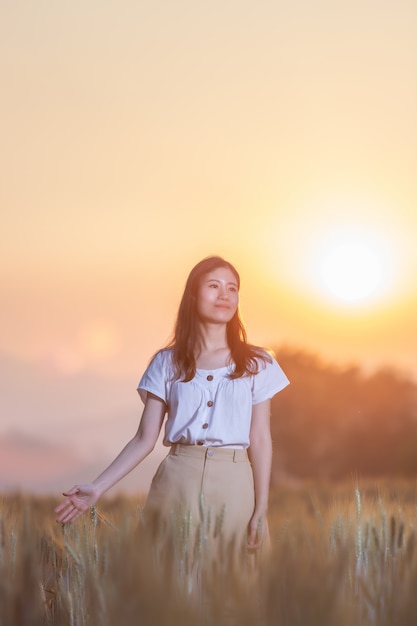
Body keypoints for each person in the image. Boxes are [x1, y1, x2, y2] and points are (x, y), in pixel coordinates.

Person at [55, 256, 289, 562]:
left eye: (232, 288)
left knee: (233, 591)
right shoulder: (166, 362)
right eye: (214, 286)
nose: (225, 295)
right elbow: (144, 439)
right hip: (177, 480)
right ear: (193, 295)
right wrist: (97, 488)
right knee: (168, 584)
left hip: (235, 483)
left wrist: (261, 507)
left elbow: (259, 438)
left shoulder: (258, 363)